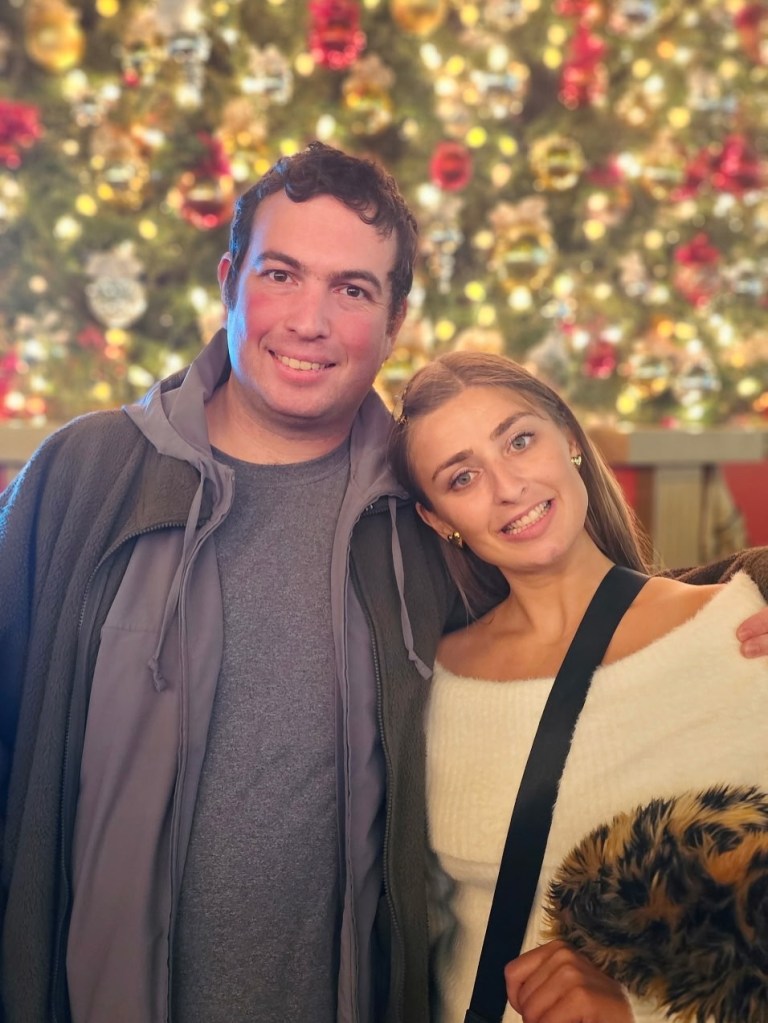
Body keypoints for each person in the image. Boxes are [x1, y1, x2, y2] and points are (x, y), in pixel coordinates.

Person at [1, 142, 767, 1023]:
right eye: (282, 274)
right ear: (229, 280)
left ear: (395, 319)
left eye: (353, 290)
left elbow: (572, 601)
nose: (311, 320)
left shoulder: (415, 512)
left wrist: (752, 583)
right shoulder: (89, 475)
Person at [388, 350, 768, 1023]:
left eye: (519, 440)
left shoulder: (740, 631)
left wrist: (635, 1013)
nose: (508, 487)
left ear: (569, 437)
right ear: (437, 518)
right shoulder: (422, 688)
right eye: (463, 476)